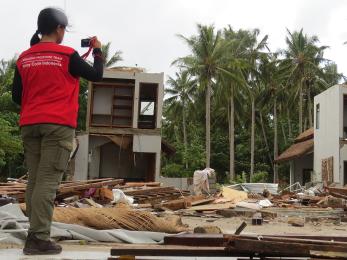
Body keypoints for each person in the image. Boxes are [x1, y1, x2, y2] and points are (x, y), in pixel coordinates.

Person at [11, 7, 104, 255]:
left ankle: (35, 233)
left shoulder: (24, 58)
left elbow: (17, 97)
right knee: (48, 182)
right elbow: (97, 75)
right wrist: (97, 51)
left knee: (35, 180)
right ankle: (38, 238)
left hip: (30, 125)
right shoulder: (67, 55)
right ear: (60, 29)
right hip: (57, 125)